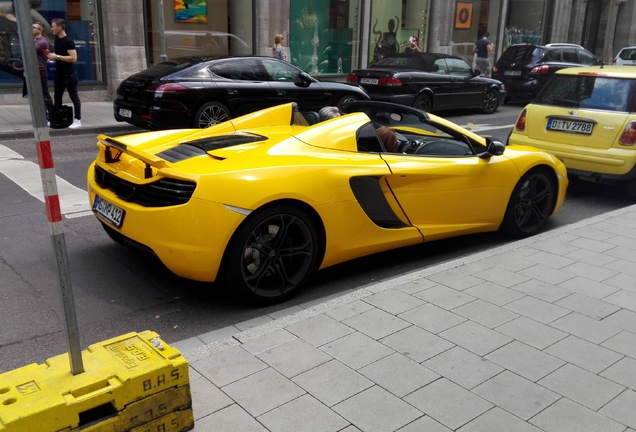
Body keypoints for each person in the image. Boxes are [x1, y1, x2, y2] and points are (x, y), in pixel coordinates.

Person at [47, 18, 81, 128]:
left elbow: (73, 58)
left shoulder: (68, 41)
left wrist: (56, 56)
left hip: (69, 74)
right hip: (59, 73)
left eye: (53, 26)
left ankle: (77, 119)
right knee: (57, 96)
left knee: (74, 96)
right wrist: (52, 56)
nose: (51, 28)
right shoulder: (57, 39)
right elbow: (58, 55)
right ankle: (56, 118)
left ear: (59, 27)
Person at [30, 21, 53, 121]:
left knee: (44, 94)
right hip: (35, 70)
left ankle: (51, 116)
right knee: (38, 94)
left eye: (34, 27)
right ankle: (44, 115)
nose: (32, 29)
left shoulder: (41, 41)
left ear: (40, 30)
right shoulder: (36, 40)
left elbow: (30, 50)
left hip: (40, 71)